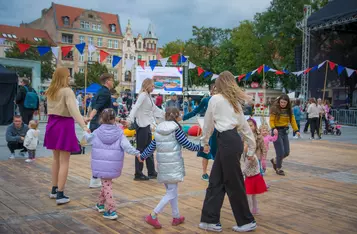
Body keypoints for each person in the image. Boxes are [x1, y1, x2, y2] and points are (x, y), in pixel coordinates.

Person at [199, 71, 257, 233]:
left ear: (219, 84)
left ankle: (246, 221)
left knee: (234, 182)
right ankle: (209, 220)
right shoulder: (234, 103)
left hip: (226, 142)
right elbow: (244, 127)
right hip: (232, 141)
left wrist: (204, 142)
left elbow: (208, 123)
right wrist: (251, 148)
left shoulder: (215, 100)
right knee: (216, 181)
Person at [139, 107, 206, 229]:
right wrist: (201, 148)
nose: (181, 115)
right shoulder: (176, 129)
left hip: (163, 166)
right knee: (171, 192)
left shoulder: (159, 129)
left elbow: (152, 146)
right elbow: (187, 144)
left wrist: (143, 156)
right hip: (173, 165)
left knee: (172, 191)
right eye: (179, 114)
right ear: (175, 116)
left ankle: (176, 217)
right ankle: (153, 215)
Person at [84, 108, 140, 220]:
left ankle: (111, 210)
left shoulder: (97, 132)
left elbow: (88, 140)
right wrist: (137, 153)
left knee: (106, 184)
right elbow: (127, 147)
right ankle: (100, 204)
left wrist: (85, 131)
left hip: (100, 164)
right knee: (106, 183)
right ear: (114, 119)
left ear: (101, 119)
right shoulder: (119, 133)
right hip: (114, 165)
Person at [44, 67, 89, 205]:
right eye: (68, 76)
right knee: (64, 161)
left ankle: (54, 189)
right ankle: (61, 194)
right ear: (63, 77)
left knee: (56, 160)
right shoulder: (67, 91)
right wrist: (84, 126)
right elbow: (73, 111)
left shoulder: (50, 91)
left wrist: (82, 119)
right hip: (64, 126)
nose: (70, 78)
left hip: (52, 124)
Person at [126, 78, 165, 181]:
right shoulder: (143, 95)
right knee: (141, 150)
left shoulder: (148, 96)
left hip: (146, 125)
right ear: (147, 85)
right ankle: (138, 173)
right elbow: (135, 107)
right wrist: (129, 119)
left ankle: (151, 171)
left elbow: (154, 109)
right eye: (152, 86)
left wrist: (165, 114)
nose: (153, 88)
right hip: (141, 125)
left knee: (149, 149)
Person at [182, 84, 217, 181]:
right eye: (214, 90)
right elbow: (195, 111)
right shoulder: (206, 100)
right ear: (211, 91)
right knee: (206, 151)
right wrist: (183, 117)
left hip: (219, 130)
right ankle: (204, 173)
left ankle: (217, 173)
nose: (216, 92)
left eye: (218, 90)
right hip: (208, 130)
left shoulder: (223, 101)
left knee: (218, 153)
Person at [87, 73, 114, 188]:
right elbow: (97, 107)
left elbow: (98, 108)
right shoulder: (105, 93)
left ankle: (98, 177)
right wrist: (90, 117)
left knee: (100, 152)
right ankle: (95, 178)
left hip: (97, 124)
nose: (113, 82)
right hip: (100, 125)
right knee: (101, 153)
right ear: (107, 81)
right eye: (112, 80)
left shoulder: (99, 91)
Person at [269, 94, 300, 176]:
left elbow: (292, 120)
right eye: (281, 102)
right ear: (279, 101)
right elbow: (271, 120)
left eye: (284, 103)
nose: (282, 104)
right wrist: (273, 128)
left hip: (284, 131)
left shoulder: (289, 110)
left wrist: (296, 130)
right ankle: (278, 168)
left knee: (286, 152)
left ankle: (275, 160)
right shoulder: (275, 109)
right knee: (280, 152)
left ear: (287, 103)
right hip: (276, 131)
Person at [242, 143, 267, 215]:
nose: (243, 147)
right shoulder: (248, 155)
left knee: (249, 195)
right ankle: (255, 210)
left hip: (252, 177)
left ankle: (249, 211)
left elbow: (246, 168)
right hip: (252, 177)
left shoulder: (251, 156)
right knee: (252, 195)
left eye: (244, 145)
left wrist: (240, 173)